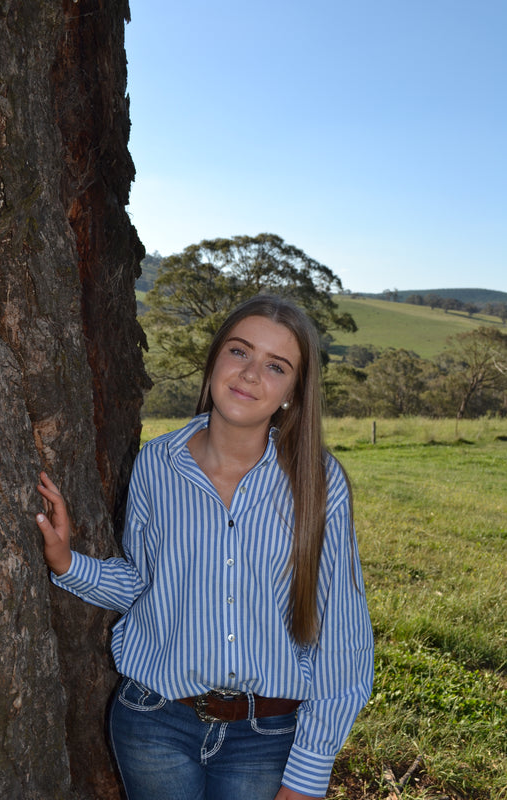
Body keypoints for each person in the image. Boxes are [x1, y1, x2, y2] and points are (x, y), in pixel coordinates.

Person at [36, 294, 374, 800]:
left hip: (265, 738)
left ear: (292, 391)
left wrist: (308, 774)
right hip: (154, 722)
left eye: (275, 365)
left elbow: (343, 637)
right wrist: (68, 562)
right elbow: (146, 583)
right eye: (240, 352)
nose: (250, 374)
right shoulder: (156, 463)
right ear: (216, 358)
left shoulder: (318, 482)